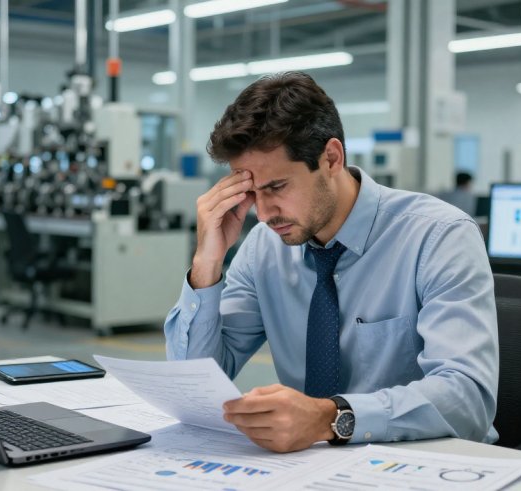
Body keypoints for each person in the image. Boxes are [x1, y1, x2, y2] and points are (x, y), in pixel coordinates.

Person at [164, 72, 498, 453]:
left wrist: (329, 418)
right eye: (252, 193)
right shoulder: (263, 249)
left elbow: (467, 396)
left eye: (276, 187)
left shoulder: (438, 237)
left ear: (331, 158)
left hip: (428, 462)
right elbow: (194, 384)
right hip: (312, 466)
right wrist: (206, 264)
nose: (264, 213)